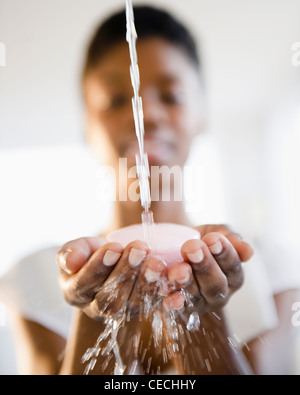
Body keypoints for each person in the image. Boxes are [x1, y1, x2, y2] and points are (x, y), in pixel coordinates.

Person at [0, 5, 297, 375]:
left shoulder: (269, 266)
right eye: (113, 101)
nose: (147, 113)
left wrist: (202, 317)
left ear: (201, 114)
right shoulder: (36, 276)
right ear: (86, 124)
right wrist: (96, 318)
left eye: (172, 96)